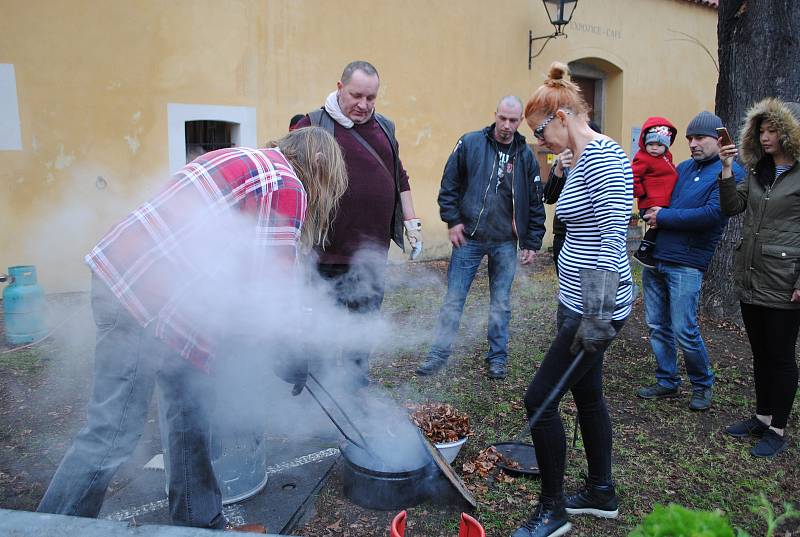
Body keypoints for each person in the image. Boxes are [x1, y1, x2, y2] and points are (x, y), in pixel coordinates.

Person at [36, 127, 348, 529]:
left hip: (167, 300)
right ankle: (47, 528)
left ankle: (199, 522)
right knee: (113, 432)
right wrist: (288, 349)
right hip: (141, 294)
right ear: (320, 164)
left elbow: (234, 267)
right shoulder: (285, 181)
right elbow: (270, 283)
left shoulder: (249, 160)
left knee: (192, 412)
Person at [511, 62, 633, 537]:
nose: (539, 142)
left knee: (539, 400)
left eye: (541, 132)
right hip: (575, 301)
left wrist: (596, 317)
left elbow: (609, 238)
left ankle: (553, 510)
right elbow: (565, 215)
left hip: (593, 309)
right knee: (588, 395)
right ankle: (602, 492)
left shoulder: (606, 158)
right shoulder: (579, 161)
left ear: (562, 116)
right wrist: (562, 171)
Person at [295, 61, 422, 387]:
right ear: (340, 87)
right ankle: (321, 395)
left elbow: (399, 177)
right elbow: (292, 179)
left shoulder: (385, 128)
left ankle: (355, 388)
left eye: (371, 98)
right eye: (356, 96)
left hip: (371, 258)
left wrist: (412, 222)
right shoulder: (312, 124)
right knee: (323, 333)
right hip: (326, 257)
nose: (363, 105)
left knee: (361, 333)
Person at [415, 96, 546, 379]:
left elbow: (535, 202)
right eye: (503, 118)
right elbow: (449, 184)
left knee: (501, 302)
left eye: (513, 120)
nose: (507, 125)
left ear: (520, 120)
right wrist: (453, 221)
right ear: (495, 115)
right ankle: (438, 355)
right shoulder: (470, 143)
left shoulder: (525, 156)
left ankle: (497, 358)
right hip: (470, 239)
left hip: (505, 243)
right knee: (454, 299)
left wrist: (532, 241)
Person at [636, 111, 744, 411]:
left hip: (687, 262)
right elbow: (655, 189)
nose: (692, 143)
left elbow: (712, 215)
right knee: (657, 325)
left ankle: (701, 384)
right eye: (689, 138)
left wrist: (663, 215)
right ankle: (667, 380)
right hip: (656, 256)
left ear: (717, 140)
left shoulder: (730, 171)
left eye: (699, 138)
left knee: (684, 327)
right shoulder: (681, 168)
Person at [718, 98, 800, 458]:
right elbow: (732, 207)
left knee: (781, 356)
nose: (765, 138)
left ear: (786, 134)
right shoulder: (757, 172)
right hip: (751, 274)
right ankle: (762, 416)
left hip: (785, 279)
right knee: (760, 352)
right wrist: (726, 167)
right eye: (760, 131)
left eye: (771, 131)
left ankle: (778, 429)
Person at [543, 121, 601, 270]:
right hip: (563, 235)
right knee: (567, 284)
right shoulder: (564, 161)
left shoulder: (601, 163)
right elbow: (549, 197)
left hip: (591, 237)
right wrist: (559, 169)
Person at [631, 118, 678, 267]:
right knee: (659, 224)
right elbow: (633, 176)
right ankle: (643, 252)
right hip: (652, 201)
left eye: (659, 145)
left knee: (662, 226)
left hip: (664, 200)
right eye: (651, 144)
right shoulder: (643, 157)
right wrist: (642, 193)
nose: (654, 148)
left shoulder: (666, 157)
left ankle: (650, 252)